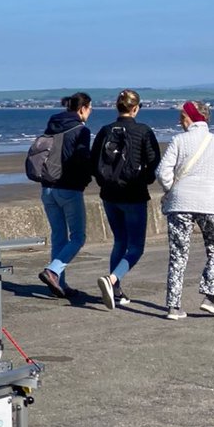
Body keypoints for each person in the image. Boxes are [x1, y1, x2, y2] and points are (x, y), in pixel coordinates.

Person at [157, 100, 214, 320]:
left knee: (178, 254)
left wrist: (172, 189)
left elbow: (162, 172)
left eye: (182, 117)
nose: (179, 121)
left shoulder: (178, 141)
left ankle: (173, 307)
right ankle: (208, 297)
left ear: (191, 117)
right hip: (210, 203)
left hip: (180, 205)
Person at [91, 90, 162, 310]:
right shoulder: (143, 131)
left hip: (110, 194)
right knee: (136, 247)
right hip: (134, 194)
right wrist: (145, 180)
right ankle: (112, 281)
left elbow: (94, 161)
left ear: (117, 107)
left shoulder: (105, 131)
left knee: (120, 241)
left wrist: (105, 182)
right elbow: (154, 161)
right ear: (136, 108)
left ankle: (117, 290)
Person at [36, 93, 93, 299]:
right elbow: (82, 159)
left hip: (47, 188)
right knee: (78, 237)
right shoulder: (81, 130)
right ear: (82, 109)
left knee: (59, 236)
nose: (90, 112)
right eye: (89, 108)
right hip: (69, 188)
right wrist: (86, 180)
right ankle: (53, 271)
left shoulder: (52, 125)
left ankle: (58, 283)